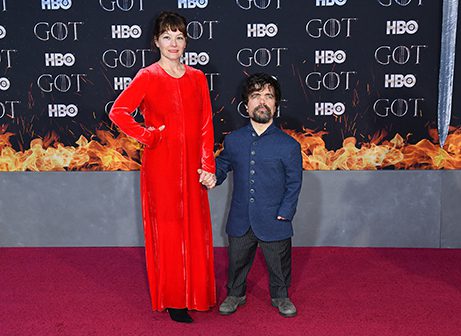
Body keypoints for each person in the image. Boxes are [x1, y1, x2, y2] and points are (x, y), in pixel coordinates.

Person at [109, 11, 217, 323]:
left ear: (186, 42)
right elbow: (119, 112)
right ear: (156, 41)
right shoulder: (147, 76)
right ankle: (174, 300)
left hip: (194, 169)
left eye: (179, 37)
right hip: (161, 167)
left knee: (196, 228)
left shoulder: (198, 78)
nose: (174, 43)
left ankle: (197, 294)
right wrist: (148, 136)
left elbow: (206, 126)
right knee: (169, 230)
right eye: (167, 37)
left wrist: (207, 166)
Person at [206, 73, 303, 317]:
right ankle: (235, 294)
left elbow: (294, 183)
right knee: (237, 260)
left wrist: (285, 213)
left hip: (274, 218)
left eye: (268, 96)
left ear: (276, 105)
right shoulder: (234, 141)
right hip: (240, 216)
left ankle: (281, 296)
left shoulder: (289, 145)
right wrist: (212, 177)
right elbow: (222, 166)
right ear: (246, 104)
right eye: (256, 96)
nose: (262, 101)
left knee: (279, 264)